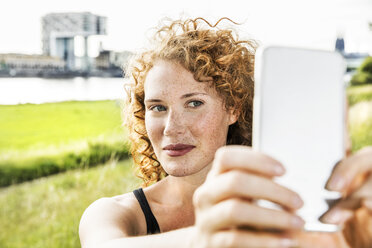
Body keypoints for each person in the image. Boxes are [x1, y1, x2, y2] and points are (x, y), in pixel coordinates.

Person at [79, 17, 372, 248]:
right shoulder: (114, 214)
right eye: (157, 107)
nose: (171, 128)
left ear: (233, 108)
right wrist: (203, 240)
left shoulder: (287, 209)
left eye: (194, 103)